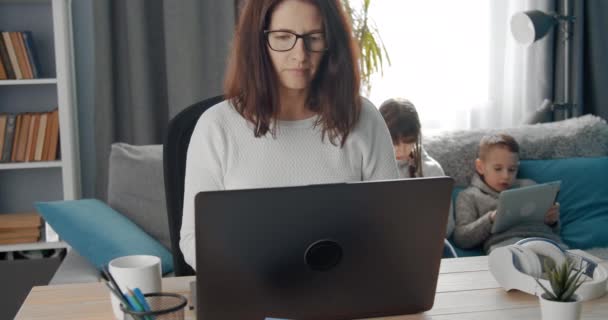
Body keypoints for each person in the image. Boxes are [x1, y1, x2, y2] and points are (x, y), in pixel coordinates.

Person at [180, 0, 399, 270]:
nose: (300, 55)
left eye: (314, 38)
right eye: (283, 37)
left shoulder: (364, 118)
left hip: (343, 290)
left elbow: (391, 230)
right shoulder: (216, 127)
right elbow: (193, 240)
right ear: (257, 43)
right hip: (252, 293)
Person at [453, 134, 561, 253]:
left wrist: (553, 221)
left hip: (546, 241)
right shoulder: (469, 196)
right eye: (498, 169)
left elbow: (555, 231)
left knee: (572, 263)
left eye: (512, 169)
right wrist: (491, 219)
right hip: (506, 245)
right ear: (480, 167)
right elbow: (461, 238)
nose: (506, 176)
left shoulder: (529, 185)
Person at [379, 98, 456, 256]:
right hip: (382, 242)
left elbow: (447, 227)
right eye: (393, 143)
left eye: (408, 142)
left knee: (445, 247)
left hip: (422, 242)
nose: (400, 150)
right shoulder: (368, 166)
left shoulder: (431, 170)